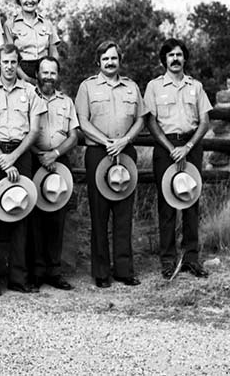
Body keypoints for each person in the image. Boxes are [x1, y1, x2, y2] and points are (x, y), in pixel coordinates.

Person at [75, 40, 146, 288]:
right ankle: (101, 272)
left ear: (120, 61)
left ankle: (124, 270)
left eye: (113, 58)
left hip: (126, 153)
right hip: (98, 152)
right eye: (105, 58)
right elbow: (82, 121)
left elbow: (140, 120)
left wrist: (124, 140)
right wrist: (106, 142)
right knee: (99, 213)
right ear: (98, 62)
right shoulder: (87, 87)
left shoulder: (131, 87)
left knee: (124, 214)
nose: (110, 62)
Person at [0, 44, 45, 294]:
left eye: (13, 62)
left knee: (22, 212)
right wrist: (1, 159)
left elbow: (34, 130)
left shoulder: (30, 92)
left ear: (18, 64)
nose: (9, 67)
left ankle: (18, 277)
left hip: (21, 153)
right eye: (4, 62)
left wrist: (14, 157)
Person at [144, 37, 212, 279]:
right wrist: (171, 147)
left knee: (191, 199)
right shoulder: (154, 86)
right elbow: (151, 121)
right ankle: (168, 259)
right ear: (164, 59)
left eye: (179, 55)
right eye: (170, 55)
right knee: (167, 204)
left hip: (191, 145)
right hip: (166, 147)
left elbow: (204, 121)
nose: (175, 59)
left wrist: (188, 146)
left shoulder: (196, 86)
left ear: (185, 58)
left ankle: (191, 258)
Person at [28, 56, 79, 290]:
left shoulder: (66, 102)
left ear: (58, 75)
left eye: (53, 73)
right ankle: (36, 272)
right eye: (44, 72)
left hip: (59, 160)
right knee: (35, 217)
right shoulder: (27, 96)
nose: (49, 77)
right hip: (33, 158)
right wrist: (41, 154)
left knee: (58, 216)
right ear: (37, 73)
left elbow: (73, 135)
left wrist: (55, 154)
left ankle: (55, 271)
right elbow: (23, 131)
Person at [9, 0, 59, 82]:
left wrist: (50, 72)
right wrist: (25, 78)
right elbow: (9, 55)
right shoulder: (10, 24)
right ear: (19, 0)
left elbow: (54, 53)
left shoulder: (47, 24)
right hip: (21, 72)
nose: (30, 0)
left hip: (44, 71)